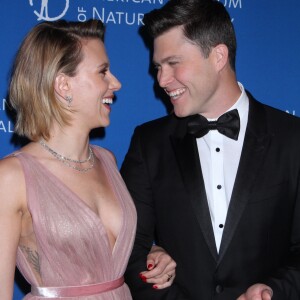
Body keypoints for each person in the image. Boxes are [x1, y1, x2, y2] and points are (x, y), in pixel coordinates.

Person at [121, 0, 300, 299]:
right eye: (158, 67)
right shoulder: (148, 143)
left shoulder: (293, 139)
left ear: (218, 56)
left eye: (174, 63)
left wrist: (274, 291)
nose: (162, 81)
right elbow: (128, 248)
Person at [0, 19, 176, 300]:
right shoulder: (11, 177)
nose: (116, 83)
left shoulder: (106, 160)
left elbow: (103, 257)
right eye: (103, 72)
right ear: (63, 85)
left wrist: (153, 253)